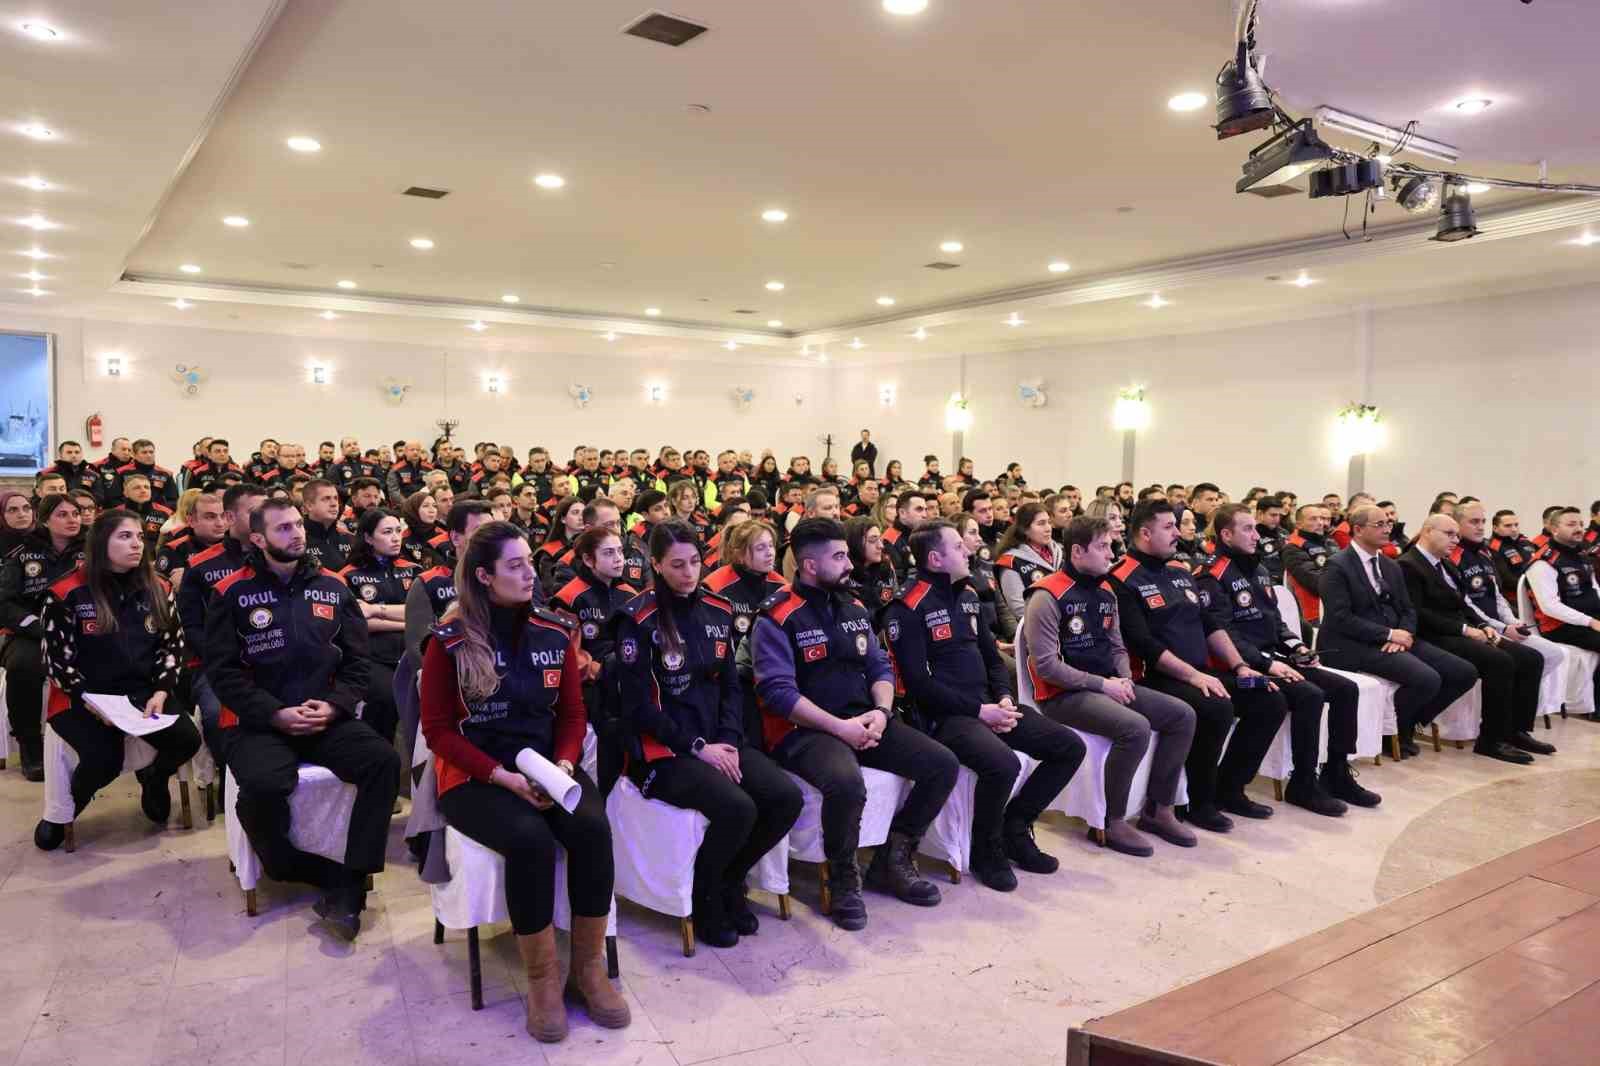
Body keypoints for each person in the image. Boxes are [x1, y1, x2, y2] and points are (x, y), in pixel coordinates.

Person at [419, 521, 627, 1041]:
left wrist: (562, 764)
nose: (530, 572)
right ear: (485, 576)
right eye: (515, 565)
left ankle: (588, 968)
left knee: (593, 830)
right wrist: (502, 778)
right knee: (530, 840)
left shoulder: (555, 631)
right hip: (473, 775)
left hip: (545, 767)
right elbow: (439, 733)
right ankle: (542, 978)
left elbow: (573, 713)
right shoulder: (449, 641)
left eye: (530, 561)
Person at [205, 498, 400, 940]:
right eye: (283, 528)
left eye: (298, 525)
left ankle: (352, 880)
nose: (297, 533)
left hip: (323, 714)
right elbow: (223, 673)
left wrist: (335, 705)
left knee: (383, 762)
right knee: (264, 786)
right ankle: (298, 869)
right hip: (258, 721)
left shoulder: (333, 586)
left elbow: (357, 662)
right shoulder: (230, 592)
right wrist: (274, 713)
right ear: (257, 538)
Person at [753, 518, 960, 930]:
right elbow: (777, 694)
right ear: (810, 566)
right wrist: (839, 728)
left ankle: (894, 858)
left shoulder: (854, 607)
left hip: (864, 719)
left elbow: (879, 665)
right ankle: (846, 879)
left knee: (942, 764)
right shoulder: (776, 616)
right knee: (847, 783)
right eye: (840, 556)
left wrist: (881, 712)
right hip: (804, 732)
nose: (850, 563)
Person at [612, 521, 802, 945]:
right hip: (663, 751)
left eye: (695, 562)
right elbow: (639, 707)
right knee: (738, 808)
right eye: (676, 565)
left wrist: (729, 742)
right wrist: (698, 748)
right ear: (656, 565)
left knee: (785, 798)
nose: (688, 573)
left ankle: (729, 880)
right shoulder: (637, 620)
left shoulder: (718, 610)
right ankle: (705, 896)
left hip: (717, 741)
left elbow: (731, 686)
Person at [885, 521, 1083, 891]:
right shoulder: (906, 608)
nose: (969, 551)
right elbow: (919, 686)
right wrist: (981, 712)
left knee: (1069, 747)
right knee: (1002, 764)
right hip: (943, 718)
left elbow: (992, 659)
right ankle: (985, 849)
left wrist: (1004, 698)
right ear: (934, 558)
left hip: (988, 707)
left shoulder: (968, 596)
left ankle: (1016, 826)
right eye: (959, 547)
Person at [1107, 500, 1287, 831]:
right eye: (1169, 527)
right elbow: (1144, 645)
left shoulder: (1179, 571)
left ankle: (1229, 788)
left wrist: (1239, 667)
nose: (1178, 533)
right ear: (1145, 533)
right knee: (1215, 707)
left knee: (1268, 695)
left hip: (1205, 673)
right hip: (1159, 679)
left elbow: (1209, 623)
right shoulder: (1121, 579)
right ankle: (1198, 802)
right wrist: (1194, 675)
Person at [1023, 515, 1197, 855]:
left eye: (1111, 545)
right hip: (1064, 694)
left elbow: (1118, 646)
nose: (1111, 553)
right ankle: (1112, 821)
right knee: (1135, 727)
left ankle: (1158, 809)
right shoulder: (1046, 595)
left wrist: (1124, 679)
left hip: (1107, 685)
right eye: (1103, 546)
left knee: (1183, 715)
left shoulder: (1106, 590)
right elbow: (1046, 667)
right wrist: (1103, 685)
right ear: (1077, 551)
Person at [34, 511, 202, 849]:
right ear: (101, 543)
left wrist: (161, 690)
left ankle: (154, 778)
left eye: (140, 536)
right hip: (81, 695)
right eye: (125, 536)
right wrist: (89, 701)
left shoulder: (159, 586)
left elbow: (173, 646)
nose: (137, 544)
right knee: (104, 759)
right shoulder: (66, 592)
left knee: (187, 739)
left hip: (143, 692)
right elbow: (56, 662)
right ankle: (67, 807)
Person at [1197, 505, 1377, 812]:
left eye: (1256, 528)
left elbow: (1275, 622)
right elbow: (1223, 634)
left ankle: (1335, 774)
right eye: (1248, 529)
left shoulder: (1259, 570)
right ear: (1226, 535)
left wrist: (1296, 647)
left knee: (1346, 689)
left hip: (1274, 657)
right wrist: (1267, 664)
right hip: (1239, 666)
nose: (1257, 536)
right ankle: (1302, 783)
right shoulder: (1211, 576)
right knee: (1309, 695)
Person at [1316, 504, 1478, 759]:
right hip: (1350, 643)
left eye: (1388, 524)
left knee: (1463, 672)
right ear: (1357, 530)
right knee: (1427, 678)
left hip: (1394, 637)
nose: (1387, 529)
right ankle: (1392, 734)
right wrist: (1388, 635)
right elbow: (1340, 618)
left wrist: (1403, 633)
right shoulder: (1337, 565)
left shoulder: (1390, 565)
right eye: (1379, 524)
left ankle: (1407, 724)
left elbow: (1408, 608)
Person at [1398, 514, 1544, 763]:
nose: (1456, 539)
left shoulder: (1445, 564)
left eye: (1456, 534)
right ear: (1427, 531)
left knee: (1530, 658)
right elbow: (1418, 614)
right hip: (1434, 635)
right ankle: (1491, 740)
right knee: (1500, 662)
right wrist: (1465, 630)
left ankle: (1515, 731)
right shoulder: (1408, 565)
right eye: (1449, 534)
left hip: (1461, 629)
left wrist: (1483, 625)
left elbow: (1462, 603)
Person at [1452, 502, 1563, 750]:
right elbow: (1465, 604)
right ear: (1457, 524)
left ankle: (1517, 728)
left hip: (1500, 625)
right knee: (1520, 660)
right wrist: (1502, 629)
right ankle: (1500, 731)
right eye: (1474, 522)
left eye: (1482, 521)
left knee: (1547, 656)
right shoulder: (1454, 555)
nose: (1480, 526)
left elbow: (1497, 595)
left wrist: (1512, 622)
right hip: (1476, 628)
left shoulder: (1484, 552)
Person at [0, 493, 86, 780]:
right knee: (23, 666)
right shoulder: (22, 553)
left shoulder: (93, 549)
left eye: (75, 513)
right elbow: (5, 602)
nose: (72, 519)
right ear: (45, 519)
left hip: (84, 628)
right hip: (32, 632)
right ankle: (30, 746)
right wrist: (39, 625)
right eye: (63, 515)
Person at [549, 526, 639, 794]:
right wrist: (602, 671)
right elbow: (567, 655)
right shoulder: (568, 597)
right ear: (589, 560)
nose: (619, 559)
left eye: (620, 552)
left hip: (626, 686)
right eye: (609, 553)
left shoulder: (630, 593)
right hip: (589, 690)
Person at [338, 509, 418, 749]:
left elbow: (424, 615)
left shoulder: (413, 570)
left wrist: (377, 610)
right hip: (373, 657)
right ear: (369, 538)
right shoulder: (348, 575)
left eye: (397, 531)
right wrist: (406, 620)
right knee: (384, 699)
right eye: (387, 532)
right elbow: (359, 623)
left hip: (412, 653)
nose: (396, 538)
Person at [1525, 507, 1600, 715]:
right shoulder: (1543, 561)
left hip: (1588, 619)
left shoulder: (1582, 555)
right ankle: (1595, 710)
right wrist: (1590, 622)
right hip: (1560, 626)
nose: (1578, 529)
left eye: (1580, 524)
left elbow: (1594, 590)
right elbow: (1550, 606)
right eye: (1571, 525)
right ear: (1554, 529)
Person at [404, 500, 495, 663]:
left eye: (492, 531)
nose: (489, 539)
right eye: (479, 531)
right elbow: (418, 649)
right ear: (455, 538)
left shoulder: (508, 576)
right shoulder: (428, 583)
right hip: (451, 670)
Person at [995, 501, 1064, 626]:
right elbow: (1019, 609)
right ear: (1025, 529)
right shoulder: (1011, 562)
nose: (1048, 528)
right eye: (1041, 524)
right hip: (1039, 629)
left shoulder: (1061, 553)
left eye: (1049, 522)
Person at [1282, 503, 1337, 638]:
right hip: (1312, 615)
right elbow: (1315, 582)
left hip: (1333, 608)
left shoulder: (1327, 543)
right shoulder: (1292, 548)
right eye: (1313, 519)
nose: (1320, 523)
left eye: (1321, 518)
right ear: (1299, 524)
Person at [155, 486, 227, 588]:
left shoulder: (240, 546)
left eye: (223, 516)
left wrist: (191, 577)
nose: (220, 523)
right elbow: (159, 593)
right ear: (191, 521)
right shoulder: (173, 550)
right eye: (210, 517)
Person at [299, 478, 353, 571]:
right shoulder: (297, 540)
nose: (334, 504)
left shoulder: (350, 538)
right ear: (309, 505)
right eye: (326, 499)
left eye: (336, 498)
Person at [1489, 510, 1538, 601]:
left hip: (1537, 592)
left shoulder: (1525, 542)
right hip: (1516, 598)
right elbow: (1507, 580)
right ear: (1495, 528)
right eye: (1508, 526)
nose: (1514, 529)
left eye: (1516, 525)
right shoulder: (1493, 548)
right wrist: (1536, 585)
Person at [1254, 495, 1288, 584]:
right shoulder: (1252, 535)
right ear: (1260, 513)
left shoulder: (1284, 533)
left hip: (1286, 582)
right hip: (1264, 582)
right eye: (1273, 515)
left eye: (1279, 515)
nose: (1277, 519)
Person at [386, 441, 432, 507]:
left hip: (426, 503)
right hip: (405, 505)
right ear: (405, 452)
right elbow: (393, 491)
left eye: (418, 450)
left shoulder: (429, 468)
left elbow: (433, 487)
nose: (415, 452)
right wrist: (407, 504)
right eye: (412, 450)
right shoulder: (396, 469)